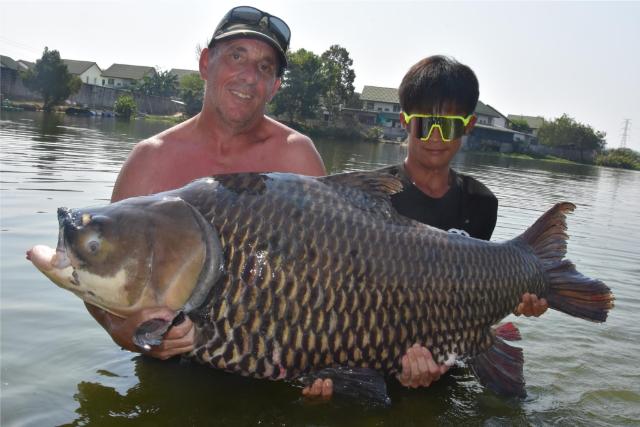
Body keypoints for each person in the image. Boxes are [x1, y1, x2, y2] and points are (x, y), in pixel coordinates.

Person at [371, 55, 548, 390]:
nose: (436, 136)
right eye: (425, 124)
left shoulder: (481, 202)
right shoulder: (372, 194)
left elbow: (474, 296)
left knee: (511, 403)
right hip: (376, 350)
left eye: (449, 125)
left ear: (468, 126)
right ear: (405, 122)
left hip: (447, 358)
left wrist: (521, 297)